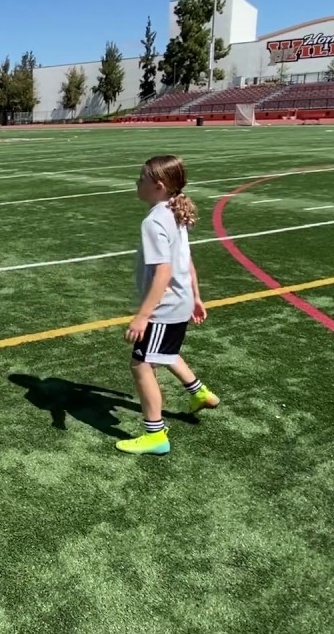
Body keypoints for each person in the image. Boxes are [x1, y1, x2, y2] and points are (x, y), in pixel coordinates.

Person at [117, 154, 219, 455]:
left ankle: (155, 434)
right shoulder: (174, 211)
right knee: (163, 351)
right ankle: (199, 393)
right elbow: (186, 259)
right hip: (180, 300)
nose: (137, 183)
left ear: (158, 186)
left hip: (165, 306)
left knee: (141, 364)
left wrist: (143, 316)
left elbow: (164, 272)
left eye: (141, 179)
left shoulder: (154, 221)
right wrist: (196, 296)